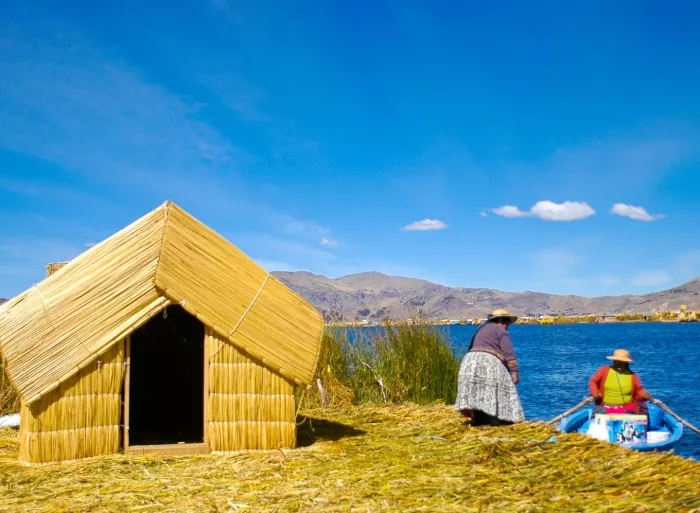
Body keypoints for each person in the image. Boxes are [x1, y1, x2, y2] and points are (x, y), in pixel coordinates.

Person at [455, 308, 525, 426]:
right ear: (502, 321)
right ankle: (500, 419)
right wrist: (514, 371)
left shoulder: (480, 329)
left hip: (469, 361)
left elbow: (471, 346)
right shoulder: (501, 330)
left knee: (478, 392)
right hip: (487, 361)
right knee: (501, 389)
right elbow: (508, 351)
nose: (507, 326)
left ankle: (479, 419)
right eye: (507, 323)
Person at [588, 349, 651, 415]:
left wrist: (644, 395)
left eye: (622, 362)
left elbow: (639, 390)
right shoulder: (604, 370)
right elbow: (593, 381)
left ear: (626, 363)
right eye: (617, 361)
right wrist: (595, 394)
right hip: (603, 408)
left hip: (626, 409)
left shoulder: (633, 376)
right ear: (613, 361)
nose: (619, 363)